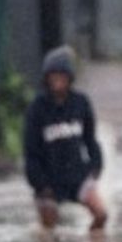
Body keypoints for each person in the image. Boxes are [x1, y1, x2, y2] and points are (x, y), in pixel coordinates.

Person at [24, 46, 108, 231]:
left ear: (69, 77)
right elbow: (31, 151)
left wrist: (95, 167)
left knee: (101, 214)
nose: (57, 81)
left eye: (61, 76)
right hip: (48, 181)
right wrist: (40, 183)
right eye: (53, 76)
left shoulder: (81, 103)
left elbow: (90, 139)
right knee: (48, 230)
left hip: (77, 175)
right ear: (46, 78)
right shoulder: (36, 108)